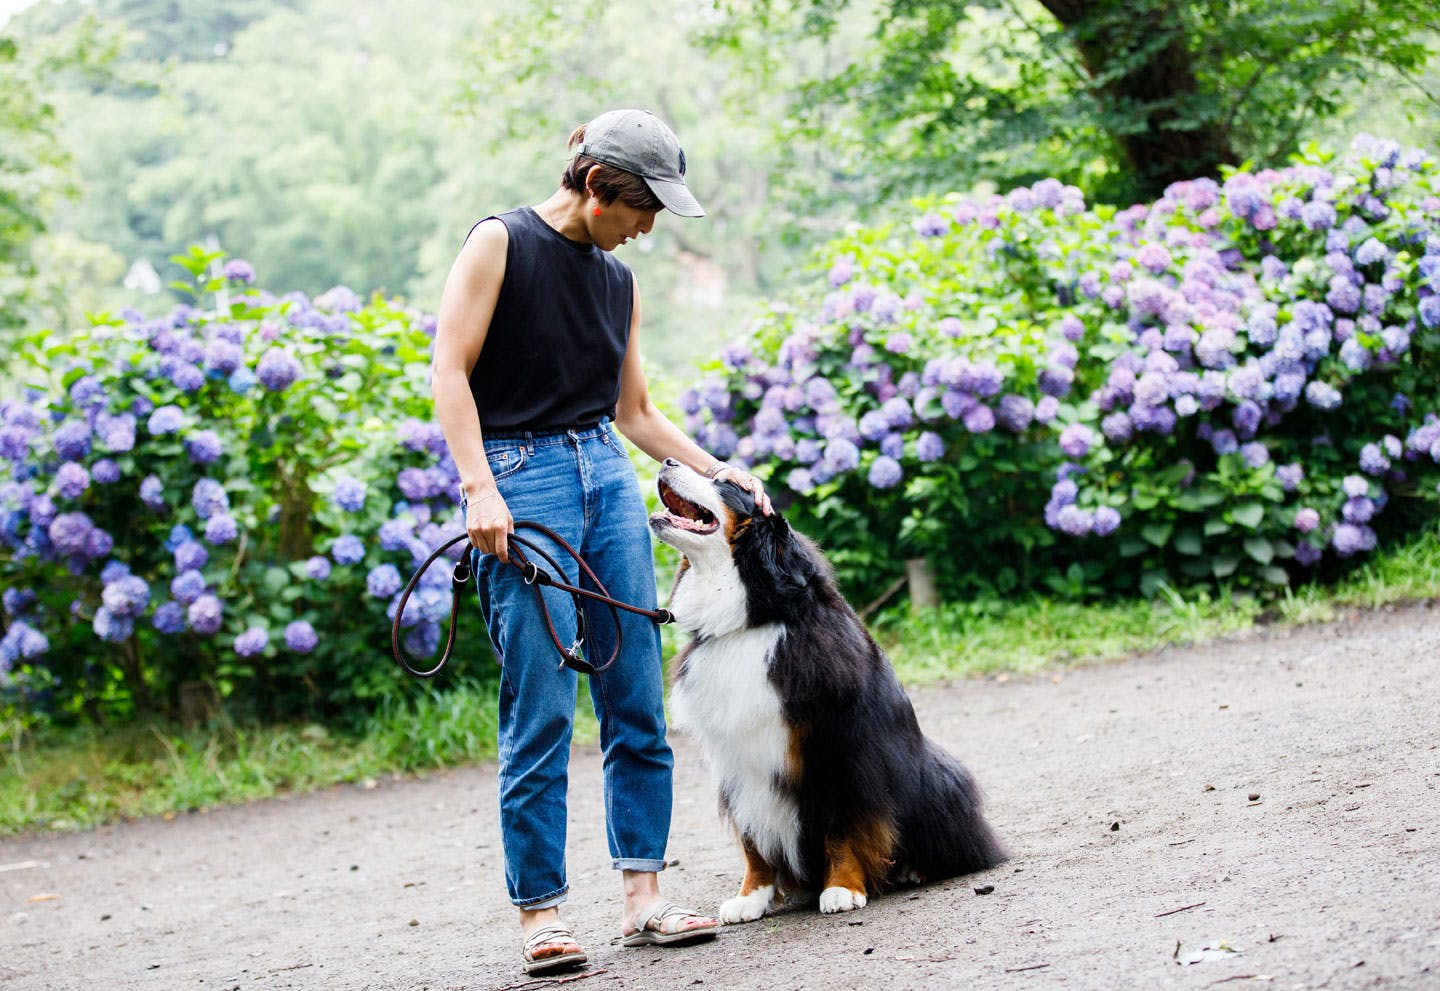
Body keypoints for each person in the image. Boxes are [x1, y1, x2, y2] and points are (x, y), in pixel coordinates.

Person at [430, 108, 772, 975]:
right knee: (539, 704)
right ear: (594, 186)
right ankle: (541, 911)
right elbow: (450, 370)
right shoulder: (498, 243)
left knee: (634, 695)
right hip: (520, 479)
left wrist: (721, 470)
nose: (648, 228)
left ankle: (643, 897)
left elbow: (637, 415)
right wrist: (480, 486)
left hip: (603, 469)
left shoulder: (618, 282)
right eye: (642, 210)